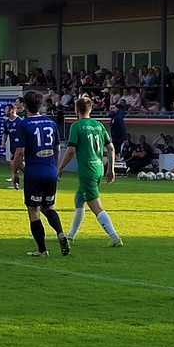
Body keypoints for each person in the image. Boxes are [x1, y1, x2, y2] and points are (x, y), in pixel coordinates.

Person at [11, 90, 69, 257]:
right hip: (50, 171)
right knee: (48, 207)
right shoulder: (50, 123)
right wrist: (55, 167)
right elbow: (57, 148)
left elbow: (20, 152)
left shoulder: (23, 124)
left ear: (25, 106)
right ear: (40, 105)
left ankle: (42, 250)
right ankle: (60, 233)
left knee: (34, 211)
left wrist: (14, 172)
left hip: (34, 173)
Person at [58, 97, 122, 246]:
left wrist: (60, 168)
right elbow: (111, 148)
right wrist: (110, 169)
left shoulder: (77, 126)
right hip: (99, 168)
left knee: (96, 207)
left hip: (87, 171)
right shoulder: (99, 125)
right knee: (79, 199)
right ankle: (71, 235)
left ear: (76, 110)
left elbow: (71, 151)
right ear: (91, 109)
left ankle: (114, 237)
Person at [2, 101, 22, 187]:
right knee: (14, 163)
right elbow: (5, 133)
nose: (4, 111)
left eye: (6, 109)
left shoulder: (20, 121)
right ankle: (15, 181)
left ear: (12, 110)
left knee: (15, 163)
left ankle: (15, 181)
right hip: (13, 146)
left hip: (20, 146)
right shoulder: (7, 122)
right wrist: (3, 142)